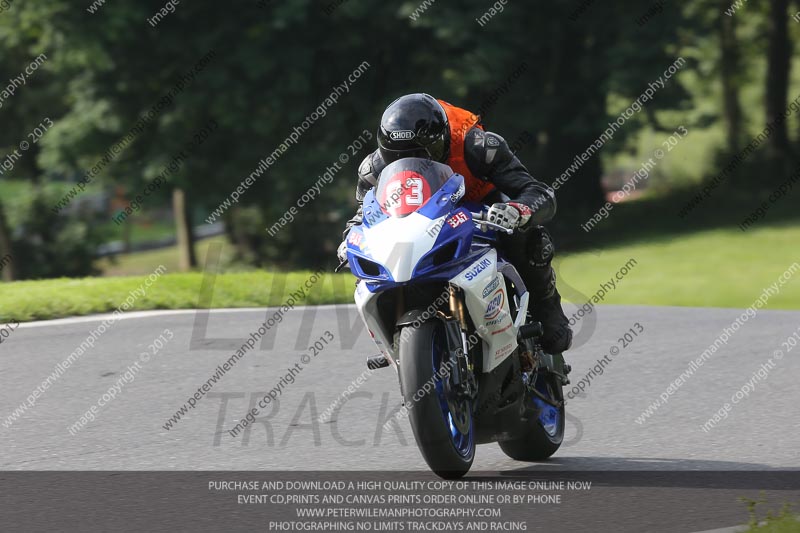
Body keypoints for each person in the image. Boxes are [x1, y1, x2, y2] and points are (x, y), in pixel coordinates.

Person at [338, 93, 571, 353]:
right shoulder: (373, 169)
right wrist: (350, 236)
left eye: (424, 155)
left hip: (482, 204)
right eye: (400, 157)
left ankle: (547, 307)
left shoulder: (479, 145)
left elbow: (537, 191)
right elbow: (365, 213)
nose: (416, 164)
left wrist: (517, 210)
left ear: (444, 141)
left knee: (526, 238)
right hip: (420, 220)